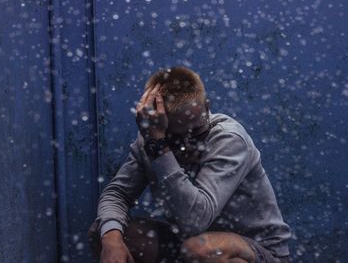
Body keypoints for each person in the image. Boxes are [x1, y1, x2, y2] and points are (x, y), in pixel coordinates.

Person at [88, 66, 291, 263]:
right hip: (188, 242)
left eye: (197, 132)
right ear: (158, 123)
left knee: (202, 250)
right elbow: (117, 194)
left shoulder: (229, 139)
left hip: (259, 251)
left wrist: (161, 148)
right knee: (106, 233)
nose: (187, 145)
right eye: (175, 138)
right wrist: (111, 239)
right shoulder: (150, 138)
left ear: (207, 107)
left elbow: (195, 220)